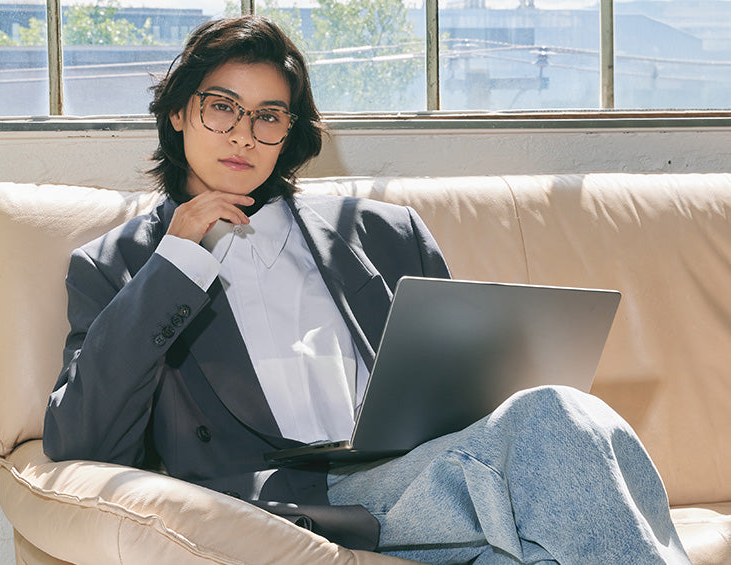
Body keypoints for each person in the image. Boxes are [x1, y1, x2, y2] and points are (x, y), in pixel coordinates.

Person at [43, 15, 691, 565]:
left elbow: (465, 393)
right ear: (180, 111)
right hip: (290, 503)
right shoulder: (115, 266)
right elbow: (81, 444)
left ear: (289, 132)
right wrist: (177, 261)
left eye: (268, 115)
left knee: (565, 440)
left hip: (418, 477)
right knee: (557, 425)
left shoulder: (386, 231)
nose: (244, 133)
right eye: (222, 107)